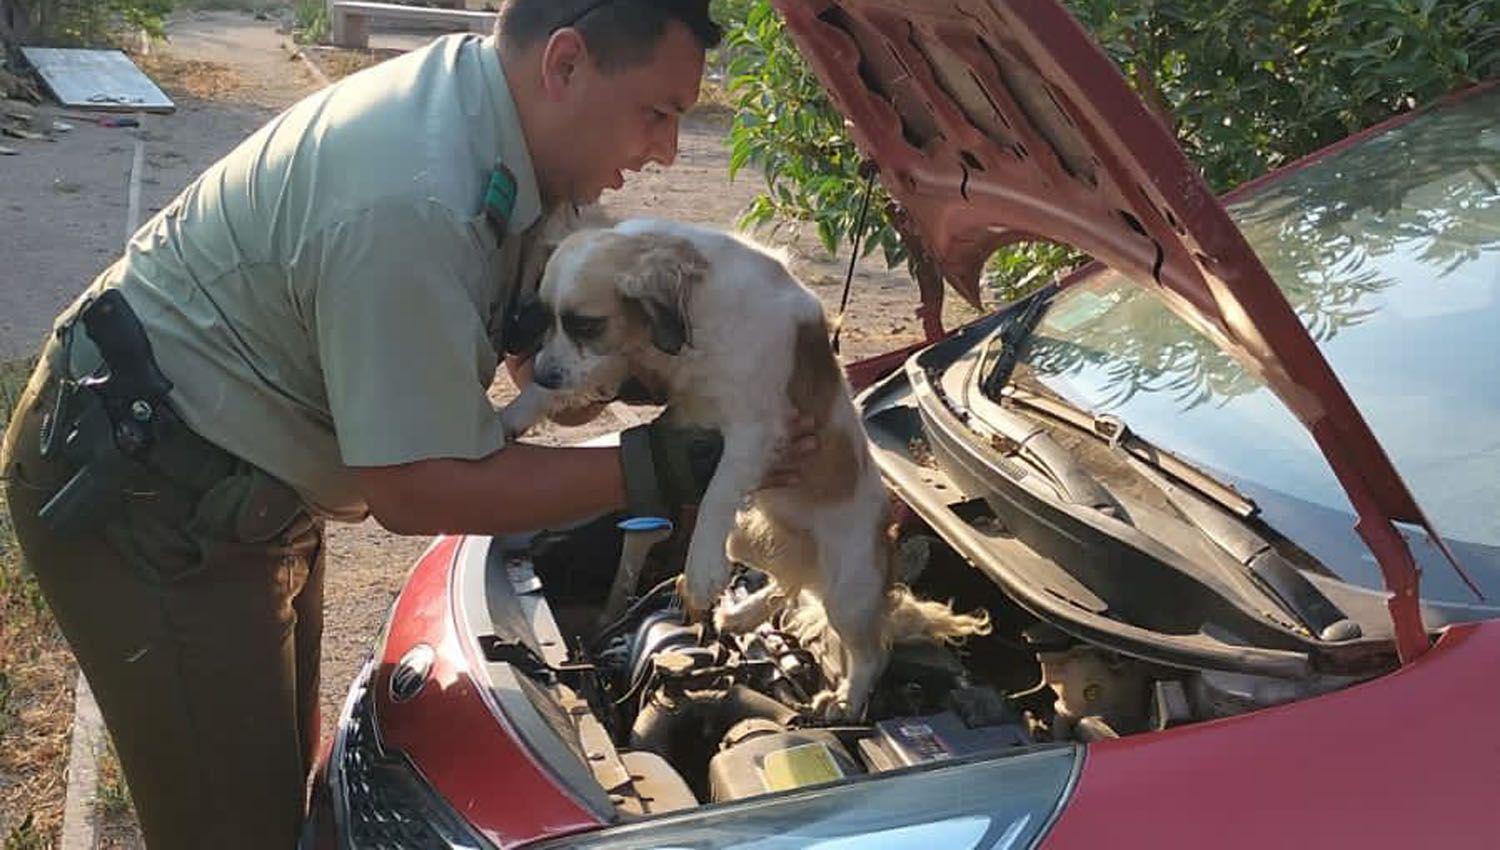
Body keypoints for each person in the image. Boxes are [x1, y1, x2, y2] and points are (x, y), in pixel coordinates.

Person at [0, 1, 814, 846]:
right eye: (657, 114)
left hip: (237, 478)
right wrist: (662, 465)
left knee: (292, 787)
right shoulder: (413, 196)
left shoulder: (502, 129)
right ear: (565, 65)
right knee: (237, 831)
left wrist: (660, 354)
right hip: (146, 495)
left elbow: (533, 358)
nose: (668, 151)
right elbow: (419, 487)